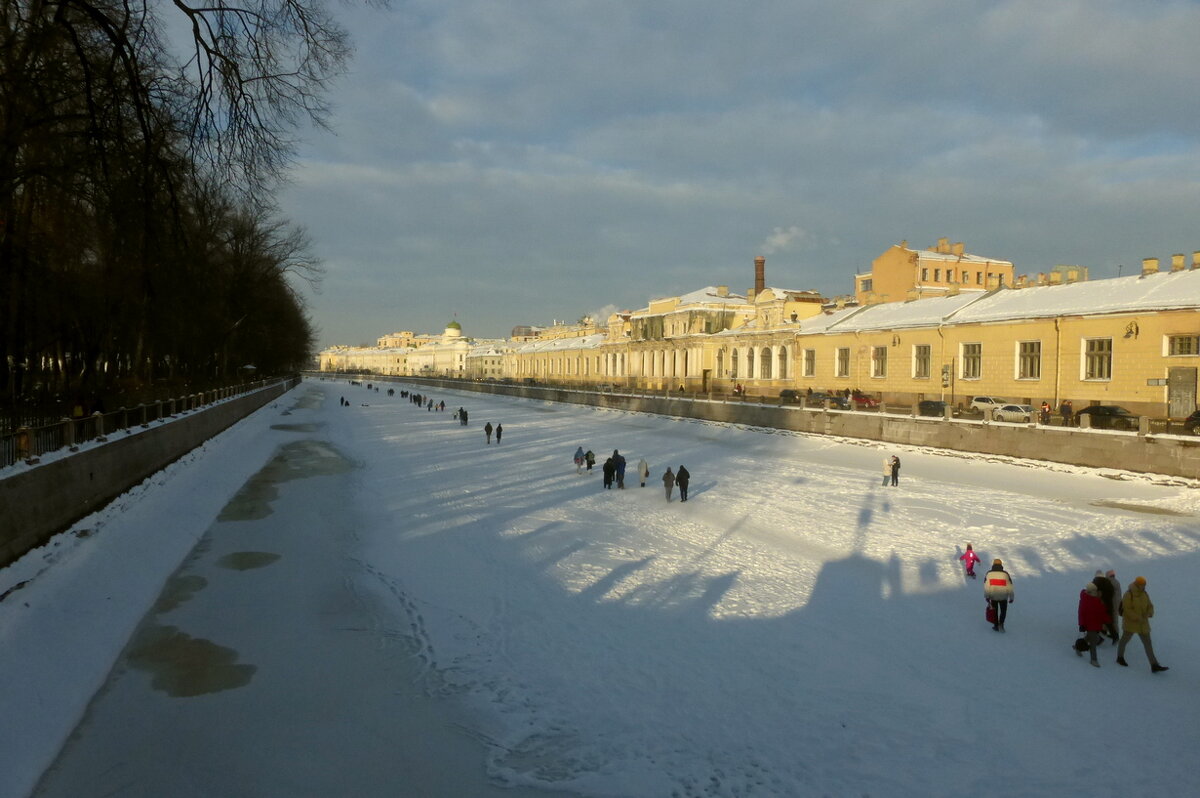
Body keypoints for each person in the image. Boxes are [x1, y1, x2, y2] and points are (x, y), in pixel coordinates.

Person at [1116, 576, 1168, 672]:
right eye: (1142, 585)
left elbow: (1150, 605)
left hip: (1143, 624)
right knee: (1124, 640)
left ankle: (1154, 665)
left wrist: (1150, 612)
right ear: (1137, 584)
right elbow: (1127, 609)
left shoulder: (1144, 594)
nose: (1144, 587)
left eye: (1144, 585)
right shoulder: (1129, 594)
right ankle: (1120, 657)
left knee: (1148, 644)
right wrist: (1137, 617)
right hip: (1130, 624)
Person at [1077, 581, 1111, 668]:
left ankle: (1078, 647)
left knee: (1089, 637)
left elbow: (1100, 613)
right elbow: (1101, 613)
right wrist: (1108, 620)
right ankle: (1093, 659)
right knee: (1093, 642)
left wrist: (1082, 624)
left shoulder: (1088, 600)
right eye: (1095, 591)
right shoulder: (1094, 601)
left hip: (1093, 624)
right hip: (1091, 625)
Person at [984, 558, 1014, 632]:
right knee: (1003, 611)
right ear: (1001, 565)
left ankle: (996, 625)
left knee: (995, 611)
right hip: (1003, 596)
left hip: (993, 596)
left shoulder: (989, 574)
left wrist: (987, 596)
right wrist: (1011, 597)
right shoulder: (1005, 574)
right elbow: (1010, 586)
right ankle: (1001, 624)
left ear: (993, 565)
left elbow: (986, 586)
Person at [1091, 570, 1116, 643]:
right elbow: (1112, 593)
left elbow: (1092, 594)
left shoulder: (1095, 583)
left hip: (1099, 605)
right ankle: (1115, 636)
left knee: (1095, 621)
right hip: (1108, 605)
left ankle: (1098, 639)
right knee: (1108, 622)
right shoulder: (1108, 582)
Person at [1105, 569, 1122, 643]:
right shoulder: (1116, 581)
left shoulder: (1110, 582)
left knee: (1114, 619)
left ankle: (1115, 635)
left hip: (1113, 603)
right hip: (1117, 603)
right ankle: (1114, 634)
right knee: (1114, 618)